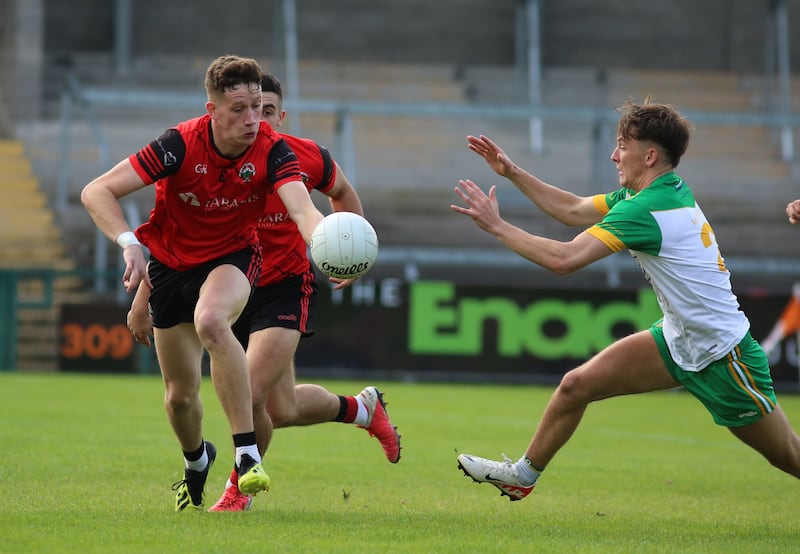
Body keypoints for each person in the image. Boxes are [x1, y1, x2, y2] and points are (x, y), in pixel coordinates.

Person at [449, 97, 800, 501]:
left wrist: (497, 227)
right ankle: (522, 476)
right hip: (677, 341)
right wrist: (511, 172)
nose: (614, 155)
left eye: (623, 147)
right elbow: (575, 209)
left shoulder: (647, 209)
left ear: (649, 156)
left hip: (724, 357)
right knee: (575, 386)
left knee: (789, 455)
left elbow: (564, 259)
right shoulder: (654, 193)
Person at [127, 72, 401, 513]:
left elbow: (343, 195)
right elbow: (174, 237)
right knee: (283, 407)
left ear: (280, 115)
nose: (258, 121)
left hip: (281, 287)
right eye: (249, 111)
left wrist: (346, 254)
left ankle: (240, 489)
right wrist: (144, 298)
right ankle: (360, 409)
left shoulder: (300, 158)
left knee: (252, 397)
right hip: (228, 280)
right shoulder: (216, 161)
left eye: (267, 111)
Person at [82, 55, 327, 512]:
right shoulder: (178, 144)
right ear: (211, 111)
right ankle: (197, 460)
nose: (252, 119)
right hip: (170, 267)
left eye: (257, 106)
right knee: (179, 398)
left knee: (213, 320)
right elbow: (96, 191)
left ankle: (247, 454)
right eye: (239, 110)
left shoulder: (273, 149)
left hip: (233, 256)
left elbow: (301, 209)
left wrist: (323, 240)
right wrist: (128, 243)